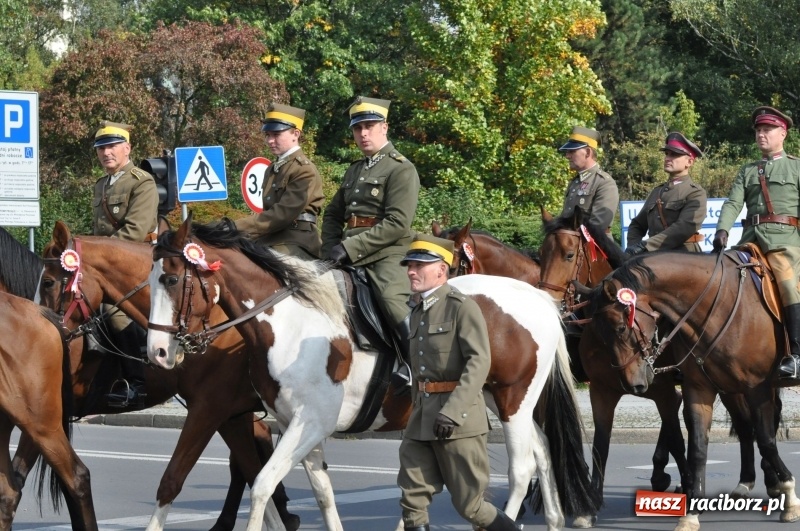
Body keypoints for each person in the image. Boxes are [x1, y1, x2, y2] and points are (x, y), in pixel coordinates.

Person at [397, 234, 522, 531]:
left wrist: (452, 412)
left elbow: (479, 362)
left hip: (457, 420)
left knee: (470, 506)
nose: (411, 271)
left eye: (419, 265)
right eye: (410, 265)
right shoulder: (416, 310)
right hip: (421, 417)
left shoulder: (460, 307)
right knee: (412, 502)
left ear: (442, 269)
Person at [321, 96, 420, 389]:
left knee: (390, 299)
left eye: (370, 126)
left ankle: (415, 364)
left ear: (384, 127)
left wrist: (349, 248)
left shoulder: (401, 168)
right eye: (357, 128)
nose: (363, 133)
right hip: (347, 252)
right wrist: (328, 248)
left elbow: (397, 223)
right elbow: (333, 214)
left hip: (387, 252)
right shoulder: (354, 170)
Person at [714, 106, 800, 380]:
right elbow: (732, 203)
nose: (761, 135)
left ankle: (797, 355)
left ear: (782, 133)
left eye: (767, 130)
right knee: (721, 279)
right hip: (749, 242)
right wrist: (722, 230)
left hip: (785, 242)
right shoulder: (748, 170)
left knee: (787, 284)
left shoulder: (796, 167)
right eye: (758, 130)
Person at [91, 120, 159, 406]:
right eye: (101, 148)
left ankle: (137, 381)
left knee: (111, 311)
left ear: (127, 148)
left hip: (137, 261)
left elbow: (134, 231)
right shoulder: (101, 185)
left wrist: (98, 256)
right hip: (106, 266)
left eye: (112, 146)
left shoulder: (142, 181)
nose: (106, 153)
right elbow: (98, 232)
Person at [235, 103, 325, 259]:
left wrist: (235, 226)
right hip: (272, 237)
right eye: (268, 135)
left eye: (276, 135)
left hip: (296, 240)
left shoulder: (304, 169)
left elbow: (282, 215)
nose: (270, 140)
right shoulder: (272, 168)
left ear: (295, 134)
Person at [625, 132, 707, 256]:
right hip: (653, 257)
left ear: (689, 162)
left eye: (674, 155)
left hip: (685, 258)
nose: (667, 158)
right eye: (667, 154)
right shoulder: (657, 191)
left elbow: (684, 228)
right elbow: (637, 224)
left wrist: (645, 246)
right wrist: (633, 247)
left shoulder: (695, 192)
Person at [558, 126, 619, 233]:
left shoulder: (604, 182)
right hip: (571, 244)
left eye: (572, 152)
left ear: (587, 152)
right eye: (567, 152)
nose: (567, 156)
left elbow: (599, 224)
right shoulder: (575, 182)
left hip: (595, 245)